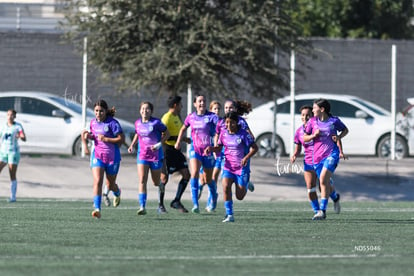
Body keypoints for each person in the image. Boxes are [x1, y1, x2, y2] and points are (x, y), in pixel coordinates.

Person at [204, 111, 258, 222]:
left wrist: (246, 158)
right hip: (228, 166)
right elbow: (219, 147)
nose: (229, 125)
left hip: (241, 168)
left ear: (237, 122)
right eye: (227, 123)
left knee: (240, 196)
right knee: (225, 186)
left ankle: (246, 183)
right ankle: (229, 214)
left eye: (231, 123)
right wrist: (211, 148)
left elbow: (255, 148)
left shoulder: (243, 134)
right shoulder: (223, 133)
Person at [291, 105, 341, 217]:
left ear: (313, 115)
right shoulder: (299, 131)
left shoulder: (319, 126)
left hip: (321, 159)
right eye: (303, 115)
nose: (305, 117)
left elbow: (332, 137)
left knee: (322, 184)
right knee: (310, 187)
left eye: (308, 114)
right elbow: (298, 147)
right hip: (308, 162)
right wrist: (295, 154)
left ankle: (335, 197)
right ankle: (317, 211)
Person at [303, 98, 348, 220]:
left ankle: (322, 211)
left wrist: (339, 137)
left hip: (332, 154)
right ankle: (335, 197)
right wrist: (313, 135)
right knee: (325, 183)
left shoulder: (334, 121)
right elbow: (304, 138)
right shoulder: (312, 122)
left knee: (323, 179)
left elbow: (345, 130)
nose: (312, 110)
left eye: (314, 108)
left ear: (322, 109)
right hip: (317, 158)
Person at [175, 94, 219, 214]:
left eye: (204, 101)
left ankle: (214, 197)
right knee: (194, 173)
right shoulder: (191, 117)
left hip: (208, 151)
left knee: (208, 179)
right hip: (195, 149)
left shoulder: (212, 117)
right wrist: (179, 141)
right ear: (195, 104)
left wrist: (216, 144)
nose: (202, 103)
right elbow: (183, 129)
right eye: (199, 101)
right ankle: (195, 204)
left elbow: (220, 128)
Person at [81, 100, 124, 219]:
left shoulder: (113, 123)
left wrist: (106, 139)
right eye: (96, 111)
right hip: (98, 156)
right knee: (98, 181)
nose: (98, 113)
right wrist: (87, 140)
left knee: (110, 185)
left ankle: (117, 192)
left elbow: (121, 139)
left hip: (112, 157)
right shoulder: (92, 123)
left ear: (105, 111)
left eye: (101, 111)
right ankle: (97, 208)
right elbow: (86, 133)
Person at [128, 101, 170, 215]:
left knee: (156, 182)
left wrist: (159, 144)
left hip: (155, 156)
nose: (144, 111)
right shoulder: (137, 123)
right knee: (142, 180)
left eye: (147, 109)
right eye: (143, 109)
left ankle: (161, 186)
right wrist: (132, 145)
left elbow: (167, 134)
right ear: (140, 110)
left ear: (151, 111)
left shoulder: (156, 122)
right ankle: (142, 206)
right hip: (142, 155)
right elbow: (137, 133)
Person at [160, 95, 191, 213]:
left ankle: (176, 200)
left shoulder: (177, 117)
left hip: (176, 150)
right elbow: (163, 135)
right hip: (167, 150)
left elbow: (177, 134)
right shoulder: (166, 118)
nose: (182, 107)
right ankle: (160, 205)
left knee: (186, 174)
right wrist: (179, 138)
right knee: (164, 178)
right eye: (180, 105)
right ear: (175, 105)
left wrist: (183, 139)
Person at [198, 100, 222, 212]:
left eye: (218, 109)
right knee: (204, 180)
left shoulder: (222, 123)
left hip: (218, 155)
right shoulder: (206, 122)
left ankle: (211, 203)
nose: (217, 111)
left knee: (213, 178)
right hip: (206, 154)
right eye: (215, 109)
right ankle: (199, 188)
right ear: (211, 111)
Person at [0, 109, 26, 203]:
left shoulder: (17, 126)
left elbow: (23, 136)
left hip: (13, 152)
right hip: (3, 152)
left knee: (12, 174)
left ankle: (13, 197)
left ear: (14, 116)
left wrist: (21, 136)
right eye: (8, 114)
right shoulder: (3, 126)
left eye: (12, 115)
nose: (10, 116)